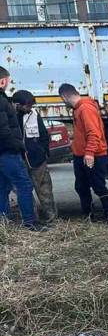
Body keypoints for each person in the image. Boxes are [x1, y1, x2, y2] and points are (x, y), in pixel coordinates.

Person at [59, 83, 108, 221]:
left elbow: (93, 133)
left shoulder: (85, 108)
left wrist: (89, 153)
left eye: (62, 99)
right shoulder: (80, 108)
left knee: (98, 186)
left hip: (92, 155)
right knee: (82, 186)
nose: (63, 102)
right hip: (84, 154)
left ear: (65, 96)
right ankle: (90, 215)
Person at [0, 66, 36, 229]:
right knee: (24, 185)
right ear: (3, 81)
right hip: (7, 151)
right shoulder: (1, 101)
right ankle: (30, 222)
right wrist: (18, 145)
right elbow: (3, 130)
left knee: (2, 188)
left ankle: (4, 223)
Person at [12, 90, 56, 224]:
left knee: (45, 189)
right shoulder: (8, 116)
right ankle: (32, 219)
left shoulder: (34, 115)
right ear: (17, 105)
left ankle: (51, 217)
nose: (30, 108)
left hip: (37, 159)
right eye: (27, 106)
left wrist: (44, 153)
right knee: (24, 191)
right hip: (18, 159)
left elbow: (43, 135)